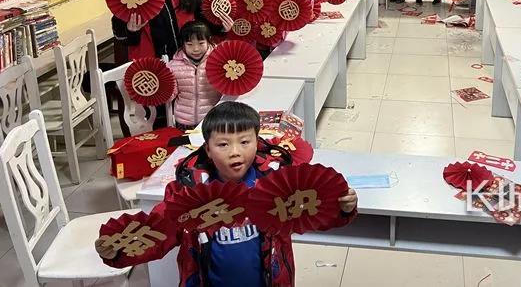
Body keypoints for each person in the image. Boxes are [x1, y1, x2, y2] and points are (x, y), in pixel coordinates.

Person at [96, 101, 358, 286]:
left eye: (245, 142)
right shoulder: (189, 191)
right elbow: (158, 232)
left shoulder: (277, 183)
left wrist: (342, 209)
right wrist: (118, 251)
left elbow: (314, 212)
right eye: (223, 144)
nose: (235, 152)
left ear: (258, 141)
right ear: (207, 150)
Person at [167, 21, 221, 131]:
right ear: (183, 44)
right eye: (190, 44)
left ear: (209, 41)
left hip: (212, 120)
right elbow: (171, 95)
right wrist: (160, 90)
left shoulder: (219, 61)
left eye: (201, 43)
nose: (196, 49)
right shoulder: (173, 65)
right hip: (184, 121)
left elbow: (226, 90)